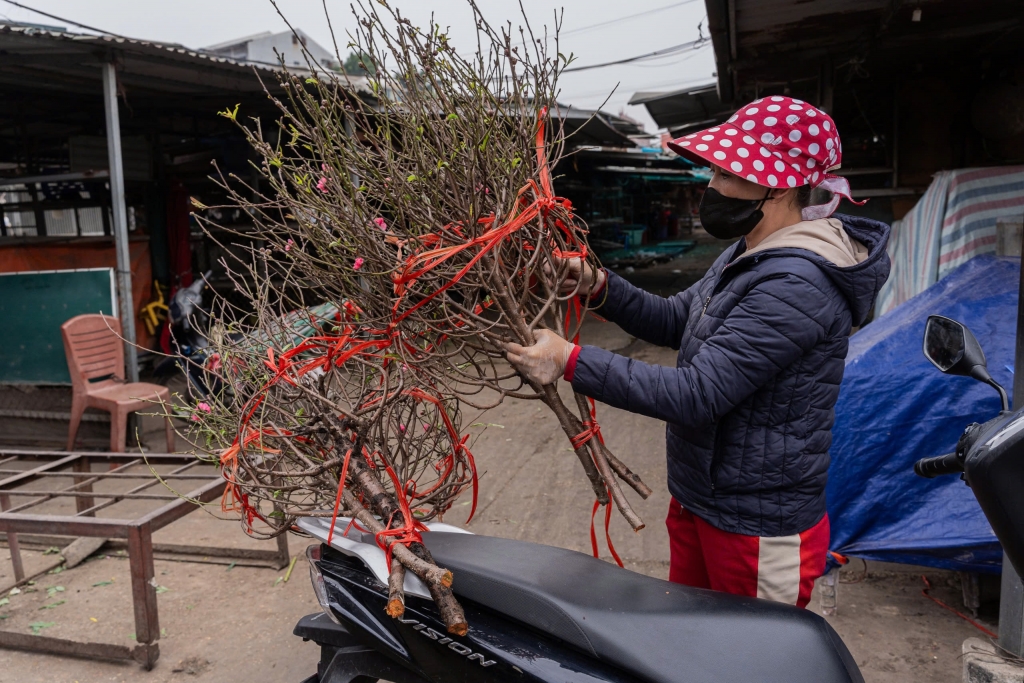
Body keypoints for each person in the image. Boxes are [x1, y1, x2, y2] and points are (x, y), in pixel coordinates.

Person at [506, 96, 891, 608]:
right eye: (715, 170)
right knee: (689, 642)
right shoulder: (750, 251)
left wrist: (570, 360)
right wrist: (599, 286)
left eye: (728, 173)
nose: (712, 186)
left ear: (778, 186)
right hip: (703, 498)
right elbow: (680, 320)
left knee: (748, 661)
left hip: (755, 524)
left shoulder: (800, 281)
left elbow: (697, 393)